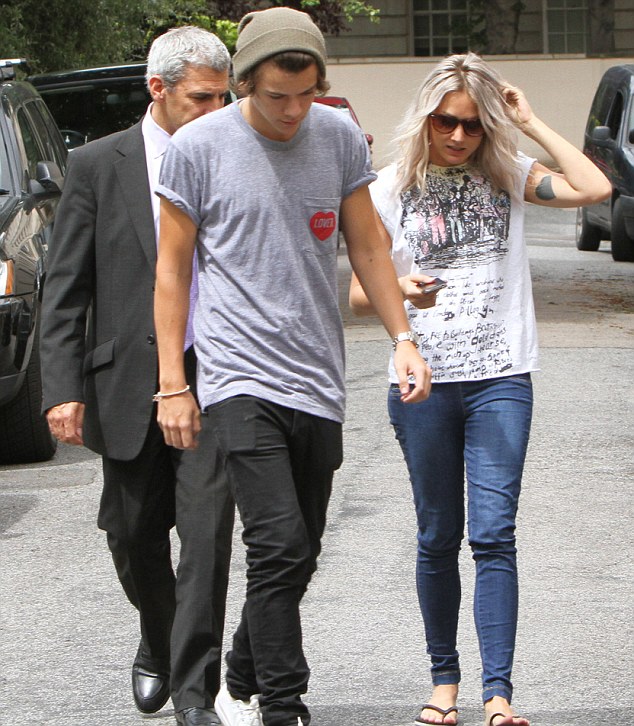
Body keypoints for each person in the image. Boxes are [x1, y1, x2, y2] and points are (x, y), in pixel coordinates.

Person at [152, 7, 433, 726]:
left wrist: (402, 337)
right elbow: (172, 273)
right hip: (236, 376)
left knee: (299, 549)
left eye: (306, 95)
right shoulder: (199, 147)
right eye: (277, 96)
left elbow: (367, 245)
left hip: (316, 376)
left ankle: (243, 666)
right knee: (276, 542)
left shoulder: (335, 136)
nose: (292, 111)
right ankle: (283, 703)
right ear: (246, 82)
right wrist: (173, 384)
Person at [349, 53, 611, 726]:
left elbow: (594, 188)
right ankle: (444, 684)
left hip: (501, 380)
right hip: (424, 382)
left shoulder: (510, 174)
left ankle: (498, 695)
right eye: (447, 122)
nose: (459, 135)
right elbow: (358, 293)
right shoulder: (387, 189)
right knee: (438, 535)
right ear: (426, 119)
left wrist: (529, 122)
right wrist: (398, 289)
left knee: (494, 534)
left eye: (473, 124)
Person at [39, 27, 235, 726]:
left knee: (206, 537)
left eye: (224, 97)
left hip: (213, 377)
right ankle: (159, 636)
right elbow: (66, 286)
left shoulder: (235, 156)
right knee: (132, 534)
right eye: (202, 98)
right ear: (159, 89)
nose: (216, 111)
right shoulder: (98, 164)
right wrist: (62, 388)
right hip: (125, 382)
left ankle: (194, 692)